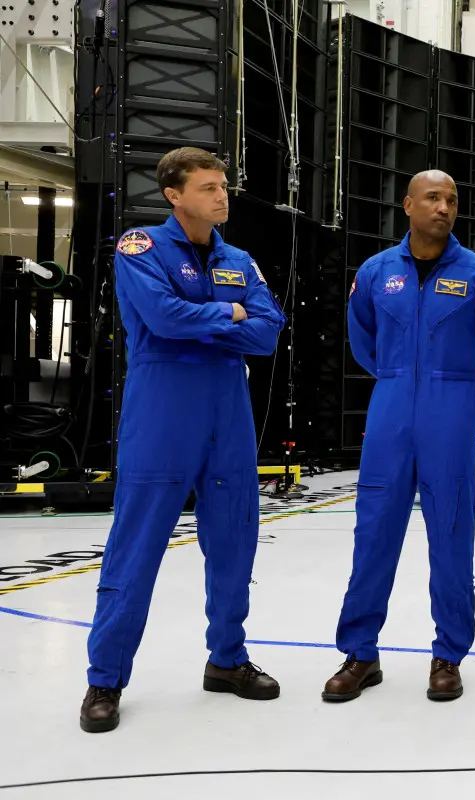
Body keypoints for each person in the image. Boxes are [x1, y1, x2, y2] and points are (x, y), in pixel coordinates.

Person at [80, 147, 287, 733]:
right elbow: (163, 319)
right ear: (174, 195)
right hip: (163, 410)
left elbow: (269, 332)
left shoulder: (238, 258)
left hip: (227, 412)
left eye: (223, 186)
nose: (222, 196)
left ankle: (227, 660)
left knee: (233, 543)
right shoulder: (139, 247)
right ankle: (104, 678)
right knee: (137, 545)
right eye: (208, 187)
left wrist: (220, 319)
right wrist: (231, 316)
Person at [323, 170, 475, 703]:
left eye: (452, 199)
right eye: (433, 197)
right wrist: (397, 374)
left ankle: (448, 655)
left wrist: (452, 382)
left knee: (452, 533)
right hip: (390, 407)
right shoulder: (375, 271)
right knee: (374, 533)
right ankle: (360, 653)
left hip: (450, 407)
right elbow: (362, 336)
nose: (444, 207)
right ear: (408, 204)